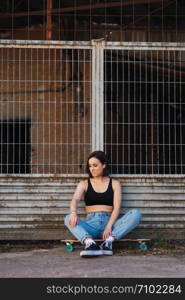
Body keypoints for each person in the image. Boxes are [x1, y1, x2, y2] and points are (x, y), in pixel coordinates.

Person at [64, 150, 142, 258]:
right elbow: (75, 200)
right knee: (67, 218)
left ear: (104, 165)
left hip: (111, 224)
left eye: (95, 165)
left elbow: (117, 208)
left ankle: (108, 242)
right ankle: (90, 244)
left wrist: (109, 226)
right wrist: (73, 213)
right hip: (91, 226)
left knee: (136, 213)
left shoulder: (115, 183)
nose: (92, 168)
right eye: (90, 166)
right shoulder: (84, 184)